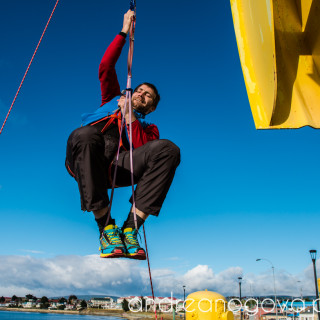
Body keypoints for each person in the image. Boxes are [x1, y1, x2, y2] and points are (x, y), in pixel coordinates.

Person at [65, 10, 180, 260]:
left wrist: (129, 117)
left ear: (151, 107)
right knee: (86, 135)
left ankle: (131, 228)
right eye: (138, 90)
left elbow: (140, 147)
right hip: (89, 157)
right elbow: (106, 66)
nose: (140, 94)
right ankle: (105, 226)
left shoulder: (149, 129)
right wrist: (124, 29)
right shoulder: (111, 99)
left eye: (147, 95)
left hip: (119, 167)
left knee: (168, 149)